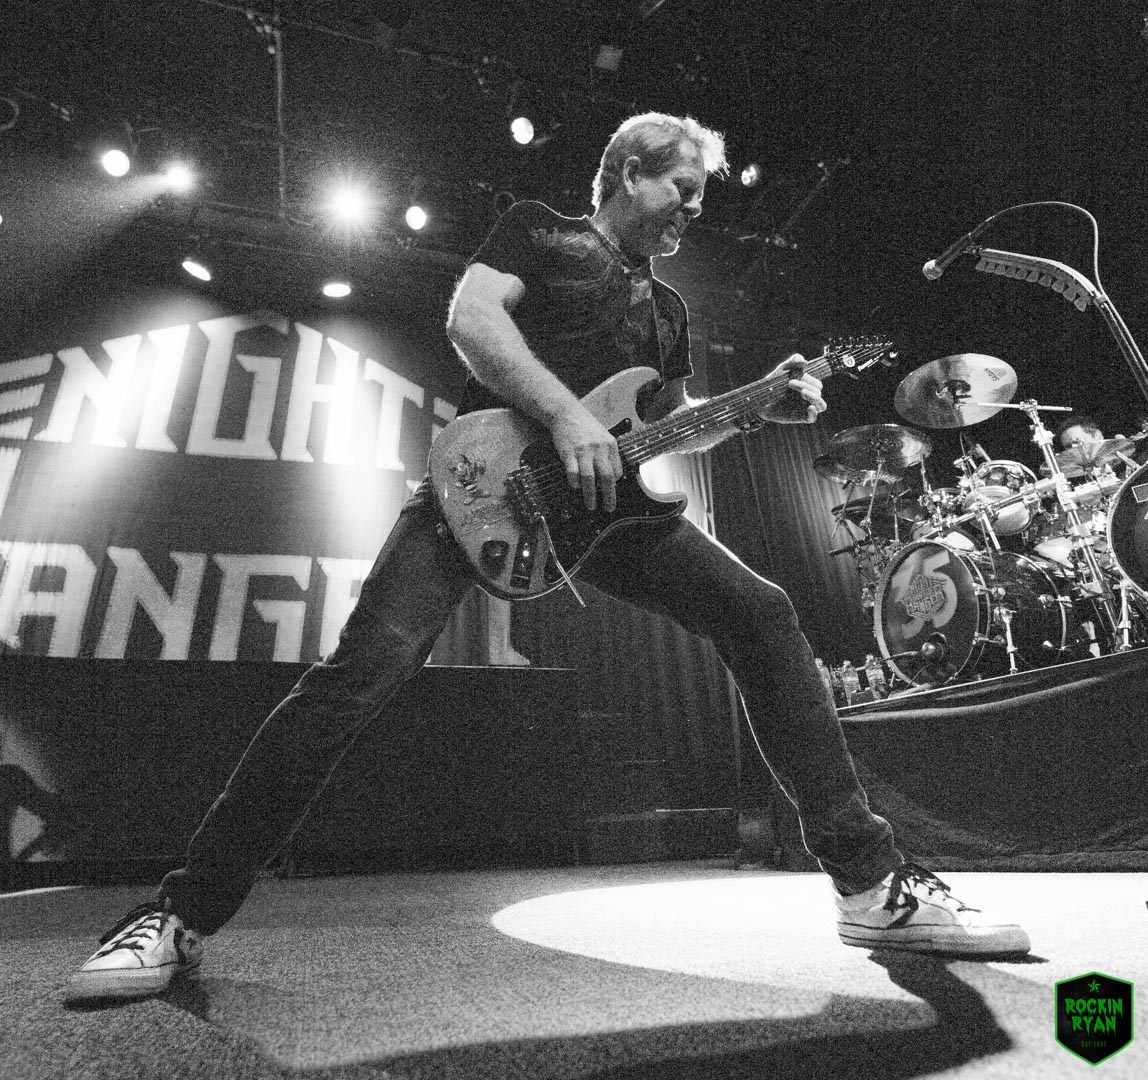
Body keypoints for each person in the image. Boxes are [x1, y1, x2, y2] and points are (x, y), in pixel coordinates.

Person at [65, 113, 1029, 1003]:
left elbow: (665, 425)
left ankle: (870, 884)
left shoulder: (667, 311)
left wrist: (751, 410)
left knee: (762, 611)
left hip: (608, 516)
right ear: (630, 171)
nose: (695, 210)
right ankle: (177, 916)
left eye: (702, 198)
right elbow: (471, 321)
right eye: (682, 189)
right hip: (483, 489)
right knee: (356, 677)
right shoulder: (539, 231)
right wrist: (566, 417)